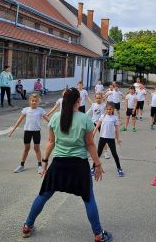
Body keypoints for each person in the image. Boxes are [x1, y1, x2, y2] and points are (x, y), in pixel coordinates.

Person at [21, 88, 112, 241]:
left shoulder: (55, 117)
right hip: (79, 165)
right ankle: (98, 234)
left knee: (43, 195)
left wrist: (44, 162)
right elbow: (90, 144)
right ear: (79, 101)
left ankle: (27, 226)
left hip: (58, 164)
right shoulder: (84, 119)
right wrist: (98, 164)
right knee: (88, 198)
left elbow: (51, 141)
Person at [9, 94, 50, 174]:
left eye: (35, 101)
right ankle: (21, 165)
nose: (34, 102)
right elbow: (19, 120)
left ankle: (40, 166)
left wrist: (56, 126)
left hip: (36, 132)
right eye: (32, 101)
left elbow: (48, 119)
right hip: (27, 131)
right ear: (29, 101)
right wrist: (13, 129)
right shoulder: (26, 110)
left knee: (36, 149)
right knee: (26, 149)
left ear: (38, 102)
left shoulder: (40, 110)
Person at [94, 102, 123, 177]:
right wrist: (93, 132)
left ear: (113, 109)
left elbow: (116, 129)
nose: (108, 110)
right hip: (102, 137)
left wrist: (118, 138)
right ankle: (93, 167)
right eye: (107, 109)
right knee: (98, 153)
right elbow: (97, 125)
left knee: (114, 154)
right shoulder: (102, 116)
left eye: (110, 109)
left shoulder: (115, 118)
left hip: (111, 138)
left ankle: (119, 168)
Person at [88, 92, 109, 159]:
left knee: (103, 138)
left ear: (102, 98)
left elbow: (107, 114)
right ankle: (88, 151)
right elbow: (88, 112)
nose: (98, 99)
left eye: (99, 98)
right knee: (90, 137)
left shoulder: (104, 105)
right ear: (95, 98)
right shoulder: (93, 105)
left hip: (101, 123)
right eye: (97, 98)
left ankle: (105, 152)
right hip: (93, 122)